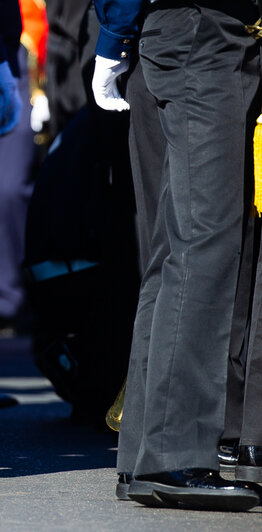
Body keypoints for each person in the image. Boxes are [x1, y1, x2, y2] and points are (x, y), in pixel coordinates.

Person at [91, 0, 262, 511]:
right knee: (203, 242)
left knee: (180, 245)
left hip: (212, 32)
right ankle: (172, 454)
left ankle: (148, 450)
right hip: (203, 29)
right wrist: (115, 32)